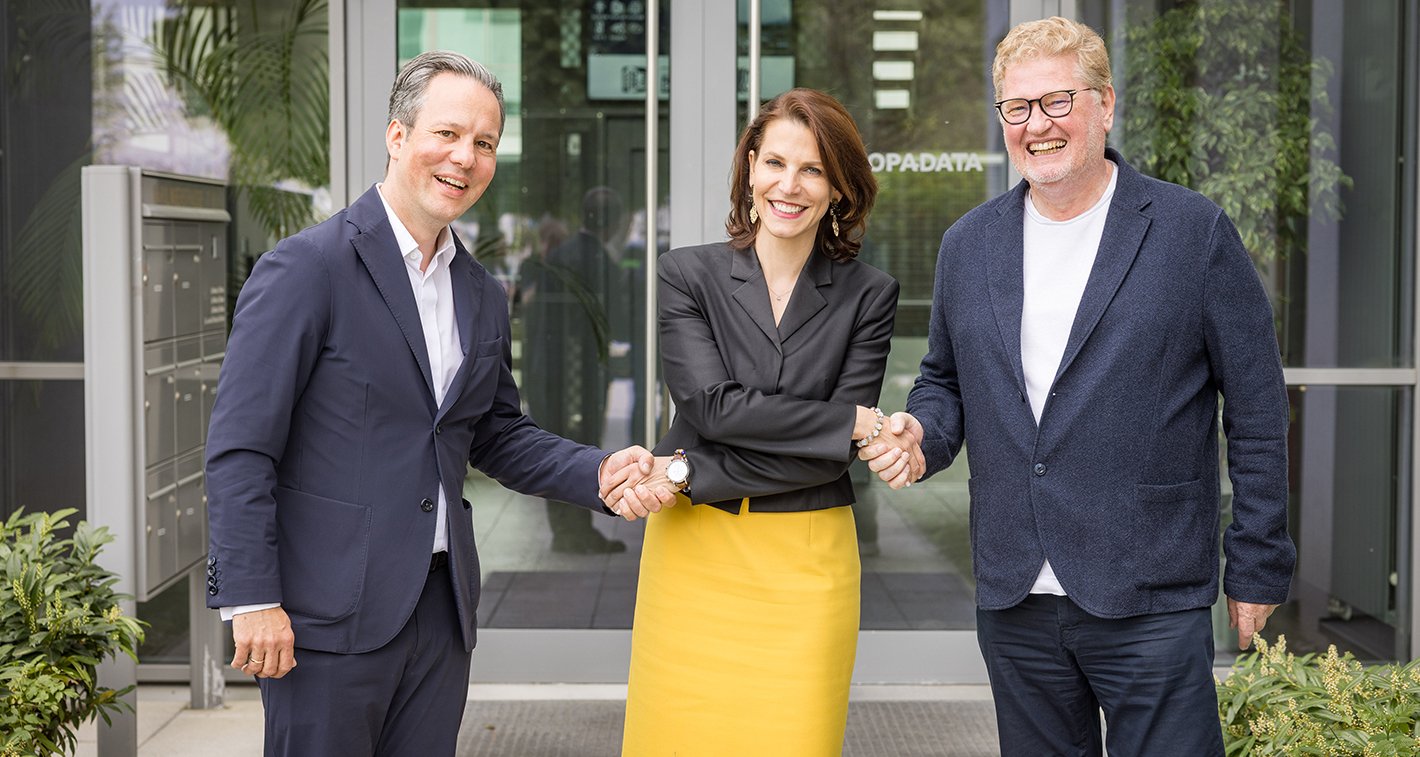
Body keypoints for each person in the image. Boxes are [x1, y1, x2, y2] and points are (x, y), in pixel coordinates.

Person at [203, 50, 673, 756]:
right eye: (447, 133)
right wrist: (252, 598)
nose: (465, 157)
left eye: (484, 143)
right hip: (326, 616)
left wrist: (598, 472)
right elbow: (241, 447)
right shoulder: (308, 267)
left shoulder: (479, 291)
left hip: (440, 612)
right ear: (397, 136)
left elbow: (495, 432)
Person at [858, 16, 1295, 756]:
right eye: (1017, 107)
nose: (1038, 125)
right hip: (1016, 593)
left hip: (1150, 588)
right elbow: (945, 381)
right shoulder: (968, 244)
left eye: (1057, 100)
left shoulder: (1192, 232)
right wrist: (922, 433)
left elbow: (1255, 409)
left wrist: (1256, 562)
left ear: (1105, 104)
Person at [617, 88, 912, 755]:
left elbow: (826, 459)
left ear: (838, 188)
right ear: (750, 167)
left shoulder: (869, 295)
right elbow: (710, 407)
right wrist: (846, 422)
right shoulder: (687, 274)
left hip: (807, 565)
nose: (790, 185)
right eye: (775, 162)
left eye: (813, 170)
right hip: (692, 561)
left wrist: (687, 471)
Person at [523, 186, 631, 553]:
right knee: (581, 443)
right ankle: (575, 533)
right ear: (613, 222)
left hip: (552, 368)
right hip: (577, 373)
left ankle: (568, 530)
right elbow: (616, 319)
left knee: (561, 444)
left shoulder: (561, 253)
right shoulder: (597, 260)